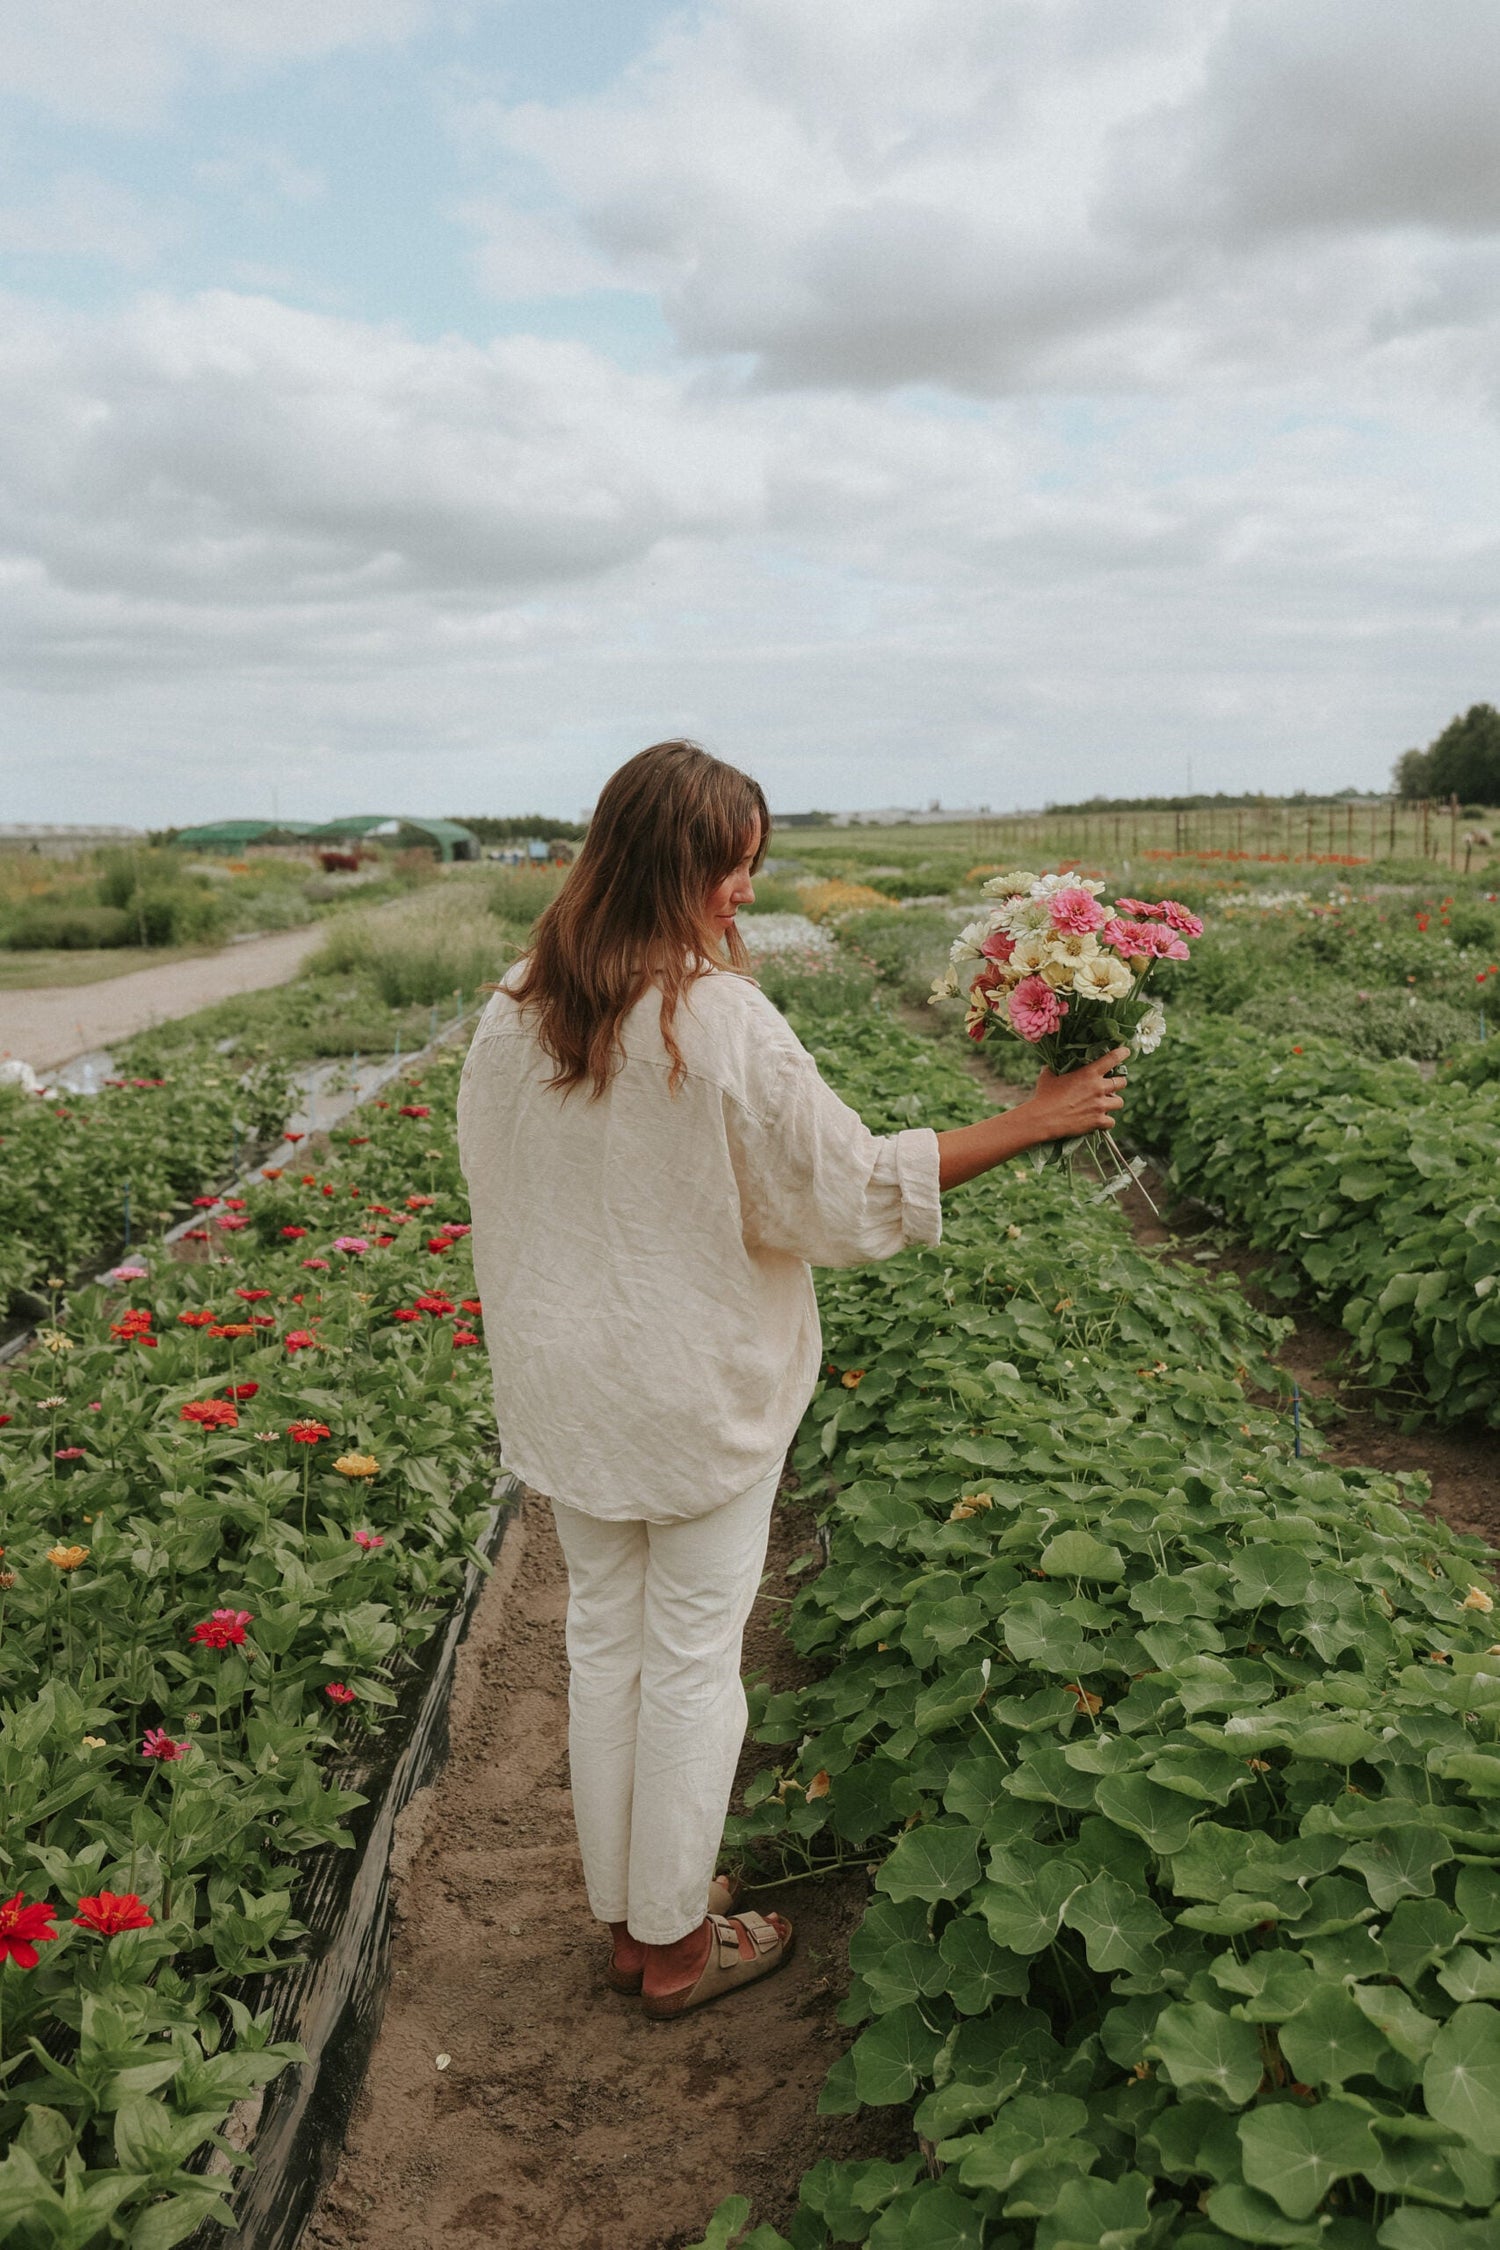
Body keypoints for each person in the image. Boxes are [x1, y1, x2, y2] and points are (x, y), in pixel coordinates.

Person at [456, 741, 1126, 2018]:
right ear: (679, 868)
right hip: (692, 1380)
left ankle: (628, 1917)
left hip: (570, 1380)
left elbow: (499, 1179)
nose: (746, 894)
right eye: (735, 869)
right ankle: (679, 1946)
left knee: (605, 1642)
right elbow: (843, 1190)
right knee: (694, 1653)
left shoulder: (513, 1006)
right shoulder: (714, 1016)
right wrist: (1030, 1119)